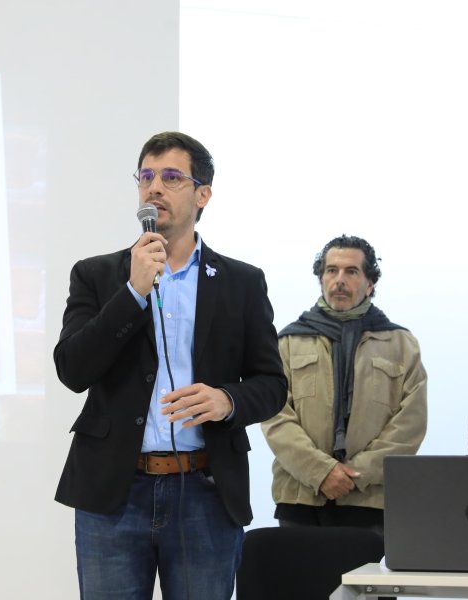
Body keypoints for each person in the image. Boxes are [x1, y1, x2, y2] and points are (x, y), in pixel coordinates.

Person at [53, 131, 287, 599]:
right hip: (114, 494)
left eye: (171, 177)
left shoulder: (242, 282)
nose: (154, 187)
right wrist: (133, 292)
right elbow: (72, 369)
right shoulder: (97, 275)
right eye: (146, 176)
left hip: (204, 489)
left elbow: (272, 384)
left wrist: (226, 400)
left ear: (203, 195)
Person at [261, 234, 427, 531]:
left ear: (370, 283)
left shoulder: (401, 344)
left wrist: (354, 474)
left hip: (369, 499)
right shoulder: (287, 341)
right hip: (301, 497)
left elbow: (410, 424)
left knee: (363, 580)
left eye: (352, 271)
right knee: (301, 578)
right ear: (321, 279)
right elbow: (275, 418)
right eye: (331, 270)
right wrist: (321, 472)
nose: (340, 279)